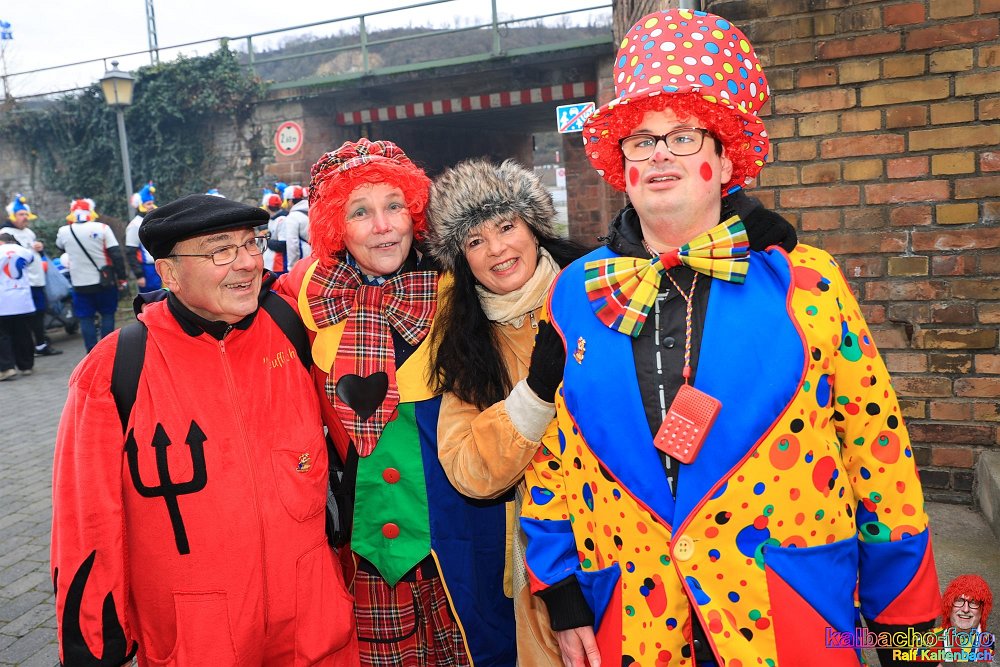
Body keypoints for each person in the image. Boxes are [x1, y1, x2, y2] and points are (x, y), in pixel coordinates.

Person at [519, 9, 941, 667]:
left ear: (723, 162)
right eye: (641, 139)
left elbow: (878, 453)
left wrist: (912, 638)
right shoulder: (575, 292)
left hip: (789, 611)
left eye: (684, 136)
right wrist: (561, 590)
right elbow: (556, 449)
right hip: (635, 621)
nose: (660, 153)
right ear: (623, 167)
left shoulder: (808, 281)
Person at [50, 194, 358, 667]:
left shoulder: (291, 326)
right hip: (198, 638)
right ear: (169, 273)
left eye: (251, 244)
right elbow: (86, 523)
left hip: (314, 625)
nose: (248, 263)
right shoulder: (114, 370)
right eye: (220, 250)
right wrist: (95, 647)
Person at [277, 139, 515, 666]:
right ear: (336, 227)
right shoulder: (303, 294)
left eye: (395, 205)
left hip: (464, 528)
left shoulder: (468, 281)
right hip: (366, 542)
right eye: (360, 212)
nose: (383, 226)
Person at [425, 158, 588, 667]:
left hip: (635, 537)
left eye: (505, 226)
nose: (496, 249)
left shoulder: (597, 290)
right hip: (544, 568)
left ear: (534, 228)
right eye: (475, 241)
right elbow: (468, 471)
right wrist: (533, 395)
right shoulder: (467, 342)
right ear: (462, 260)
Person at [56, 199, 127, 352]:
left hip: (79, 283)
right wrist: (122, 277)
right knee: (107, 314)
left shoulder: (64, 231)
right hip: (105, 281)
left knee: (85, 318)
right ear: (91, 212)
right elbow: (116, 255)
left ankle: (91, 352)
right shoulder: (102, 228)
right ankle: (107, 350)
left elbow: (60, 247)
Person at [2, 193, 63, 356]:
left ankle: (41, 343)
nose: (25, 217)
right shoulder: (5, 233)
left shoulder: (29, 232)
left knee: (40, 313)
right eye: (21, 214)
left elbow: (34, 255)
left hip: (38, 280)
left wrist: (40, 250)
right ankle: (32, 346)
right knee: (26, 317)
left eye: (26, 214)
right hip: (23, 283)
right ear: (13, 216)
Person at [0, 232, 36, 380]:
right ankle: (26, 365)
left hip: (3, 301)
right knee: (24, 334)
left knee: (3, 335)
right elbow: (31, 259)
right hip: (23, 300)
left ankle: (7, 367)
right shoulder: (23, 251)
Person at [125, 182, 161, 292]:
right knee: (151, 298)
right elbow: (130, 252)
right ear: (140, 205)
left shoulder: (154, 220)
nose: (151, 206)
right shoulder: (135, 225)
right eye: (148, 204)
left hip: (158, 265)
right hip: (147, 269)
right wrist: (139, 275)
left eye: (152, 203)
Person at [282, 184, 311, 271]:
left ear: (290, 201)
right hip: (318, 256)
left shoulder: (292, 217)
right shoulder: (313, 210)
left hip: (304, 259)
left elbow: (292, 244)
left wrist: (292, 267)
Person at [261, 187, 288, 274]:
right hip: (271, 264)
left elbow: (282, 245)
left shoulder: (282, 220)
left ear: (267, 207)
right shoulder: (273, 219)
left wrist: (266, 240)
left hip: (278, 265)